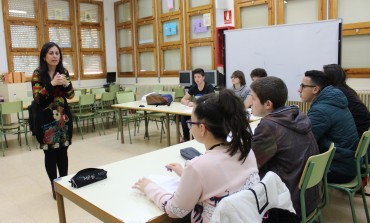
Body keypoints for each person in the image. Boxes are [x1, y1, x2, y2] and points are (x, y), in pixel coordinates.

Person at [133, 90, 260, 223]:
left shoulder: (198, 166)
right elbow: (221, 182)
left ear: (202, 128)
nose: (189, 125)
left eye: (191, 122)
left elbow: (175, 210)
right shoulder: (245, 150)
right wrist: (185, 174)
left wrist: (149, 187)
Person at [250, 76, 320, 216]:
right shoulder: (297, 115)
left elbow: (250, 164)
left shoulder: (269, 127)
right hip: (310, 198)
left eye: (253, 99)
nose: (250, 103)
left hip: (289, 202)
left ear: (268, 104)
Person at [31, 42, 74, 199]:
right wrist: (52, 84)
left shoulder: (64, 72)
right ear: (44, 56)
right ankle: (54, 185)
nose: (55, 56)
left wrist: (67, 83)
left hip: (63, 118)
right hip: (45, 121)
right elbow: (38, 98)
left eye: (57, 53)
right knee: (50, 154)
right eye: (51, 53)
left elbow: (70, 95)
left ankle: (64, 184)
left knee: (63, 152)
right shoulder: (37, 74)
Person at [299, 70, 358, 184]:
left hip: (340, 169)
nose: (299, 90)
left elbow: (304, 141)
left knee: (288, 167)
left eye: (302, 86)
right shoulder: (333, 100)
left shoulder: (321, 110)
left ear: (315, 89)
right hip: (348, 163)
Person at [323, 64, 370, 139]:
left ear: (329, 78)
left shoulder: (337, 93)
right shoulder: (346, 89)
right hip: (363, 131)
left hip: (357, 134)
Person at [180, 68, 215, 142]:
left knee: (195, 118)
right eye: (195, 77)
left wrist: (195, 103)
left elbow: (211, 101)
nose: (197, 79)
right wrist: (186, 102)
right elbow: (183, 99)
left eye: (199, 77)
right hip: (197, 110)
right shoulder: (194, 87)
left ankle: (195, 137)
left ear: (203, 77)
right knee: (183, 117)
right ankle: (186, 137)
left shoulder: (209, 87)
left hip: (207, 111)